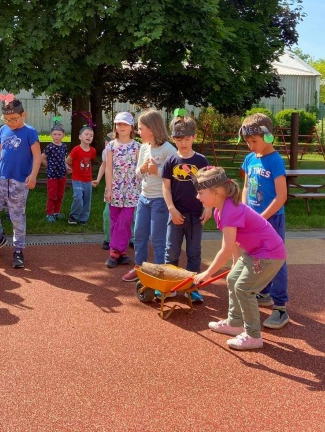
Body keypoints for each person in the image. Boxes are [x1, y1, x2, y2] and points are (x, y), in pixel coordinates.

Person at [192, 166, 286, 350]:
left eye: (201, 193)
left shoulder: (229, 211)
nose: (197, 197)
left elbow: (226, 249)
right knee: (233, 279)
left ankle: (253, 336)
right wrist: (236, 264)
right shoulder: (221, 209)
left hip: (268, 254)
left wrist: (208, 274)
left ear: (217, 192)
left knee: (244, 288)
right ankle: (235, 323)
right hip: (255, 252)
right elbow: (234, 243)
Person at [240, 112, 290, 329]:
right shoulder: (249, 159)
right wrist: (244, 212)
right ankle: (264, 292)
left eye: (254, 141)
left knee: (276, 259)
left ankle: (280, 307)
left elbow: (282, 196)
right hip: (254, 220)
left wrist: (261, 218)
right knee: (256, 256)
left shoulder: (275, 160)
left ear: (268, 137)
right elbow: (245, 187)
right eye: (247, 142)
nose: (250, 146)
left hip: (272, 220)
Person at [0, 94, 41, 268]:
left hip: (19, 181)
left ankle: (18, 250)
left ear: (23, 115)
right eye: (7, 120)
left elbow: (37, 156)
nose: (10, 123)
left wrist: (33, 175)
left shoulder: (30, 132)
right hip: (0, 179)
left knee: (17, 217)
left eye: (14, 119)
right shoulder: (3, 130)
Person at [161, 112, 212, 302]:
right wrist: (171, 209)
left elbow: (208, 186)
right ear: (173, 139)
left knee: (194, 253)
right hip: (176, 215)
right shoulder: (170, 161)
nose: (183, 143)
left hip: (196, 216)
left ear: (194, 137)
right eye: (179, 139)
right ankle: (170, 286)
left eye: (187, 139)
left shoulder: (201, 161)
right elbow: (166, 188)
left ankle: (192, 287)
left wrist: (208, 208)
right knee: (171, 251)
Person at [122, 110, 175, 283]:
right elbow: (138, 173)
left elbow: (176, 176)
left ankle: (159, 273)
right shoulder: (144, 147)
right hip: (144, 198)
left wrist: (157, 170)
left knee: (158, 240)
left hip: (160, 200)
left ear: (151, 129)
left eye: (140, 128)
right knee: (139, 235)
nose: (138, 131)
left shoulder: (169, 150)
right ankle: (140, 267)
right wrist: (143, 168)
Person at [104, 111, 141, 268]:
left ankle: (114, 251)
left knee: (126, 219)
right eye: (119, 124)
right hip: (115, 189)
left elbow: (140, 169)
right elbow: (108, 168)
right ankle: (121, 252)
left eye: (125, 124)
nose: (122, 127)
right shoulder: (111, 146)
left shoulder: (138, 147)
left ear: (132, 126)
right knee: (115, 220)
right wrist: (109, 189)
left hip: (132, 190)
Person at [66, 125, 96, 225]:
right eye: (86, 134)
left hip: (88, 180)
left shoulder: (92, 151)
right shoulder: (76, 149)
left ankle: (84, 218)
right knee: (78, 198)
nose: (89, 137)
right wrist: (73, 167)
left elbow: (90, 161)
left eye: (91, 135)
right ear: (80, 137)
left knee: (87, 200)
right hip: (77, 179)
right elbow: (68, 161)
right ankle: (73, 217)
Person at [40, 119, 68, 222]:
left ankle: (57, 212)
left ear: (63, 135)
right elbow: (42, 158)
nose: (57, 136)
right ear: (51, 135)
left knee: (60, 194)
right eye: (55, 134)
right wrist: (49, 166)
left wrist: (66, 166)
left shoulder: (64, 146)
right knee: (52, 195)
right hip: (52, 175)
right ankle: (49, 214)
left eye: (59, 134)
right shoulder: (50, 147)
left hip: (62, 174)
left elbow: (64, 158)